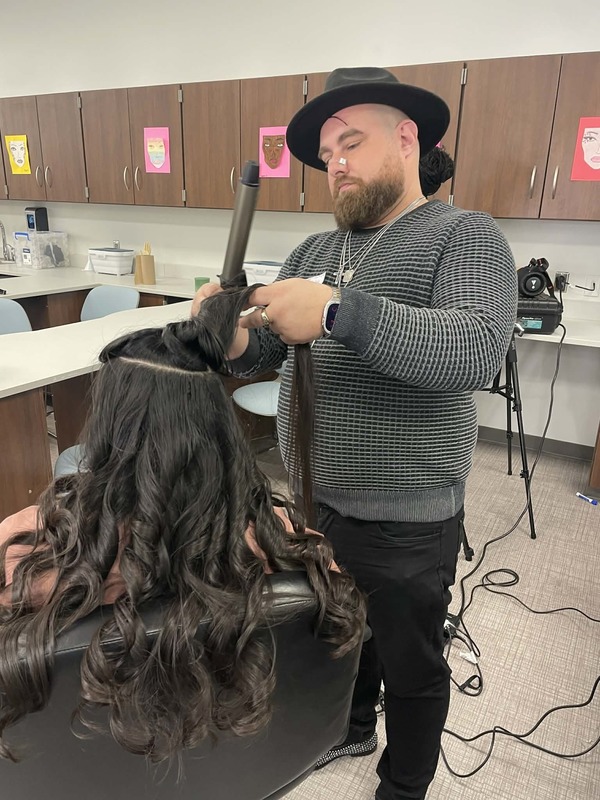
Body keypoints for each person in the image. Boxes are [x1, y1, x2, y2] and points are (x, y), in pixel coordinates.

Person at [193, 66, 517, 800]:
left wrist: (340, 313)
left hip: (408, 518)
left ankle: (403, 786)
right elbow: (271, 350)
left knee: (412, 663)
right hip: (313, 502)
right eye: (326, 154)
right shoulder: (313, 253)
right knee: (343, 631)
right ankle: (352, 724)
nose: (334, 163)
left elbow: (473, 351)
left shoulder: (463, 237)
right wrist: (234, 337)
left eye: (351, 142)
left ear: (407, 139)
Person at [0, 285, 365, 766]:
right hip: (231, 763)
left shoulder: (23, 550)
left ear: (109, 431)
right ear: (219, 430)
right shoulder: (285, 541)